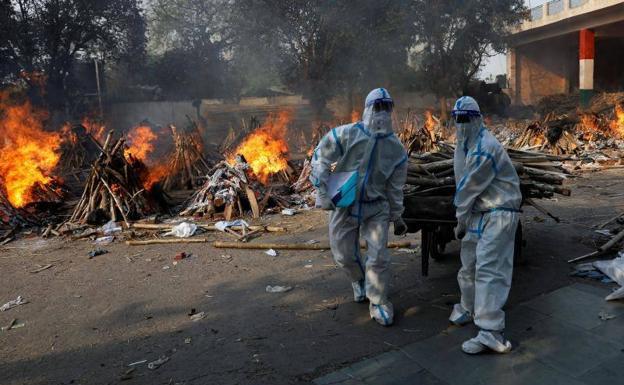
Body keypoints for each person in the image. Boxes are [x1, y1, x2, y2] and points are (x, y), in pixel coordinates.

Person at [310, 88, 408, 326]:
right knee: (343, 254)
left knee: (379, 256)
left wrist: (397, 215)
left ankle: (379, 301)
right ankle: (359, 279)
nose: (381, 114)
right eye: (377, 108)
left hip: (377, 206)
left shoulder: (396, 149)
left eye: (386, 109)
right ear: (367, 109)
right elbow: (321, 155)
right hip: (345, 199)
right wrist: (322, 188)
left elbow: (395, 187)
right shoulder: (347, 134)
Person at [449, 96, 522, 354]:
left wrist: (459, 217)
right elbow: (461, 178)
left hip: (499, 212)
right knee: (469, 263)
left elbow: (468, 187)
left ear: (478, 119)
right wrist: (465, 218)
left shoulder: (484, 148)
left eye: (466, 119)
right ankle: (468, 307)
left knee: (490, 269)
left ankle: (491, 332)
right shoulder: (466, 143)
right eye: (457, 119)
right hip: (480, 213)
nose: (461, 124)